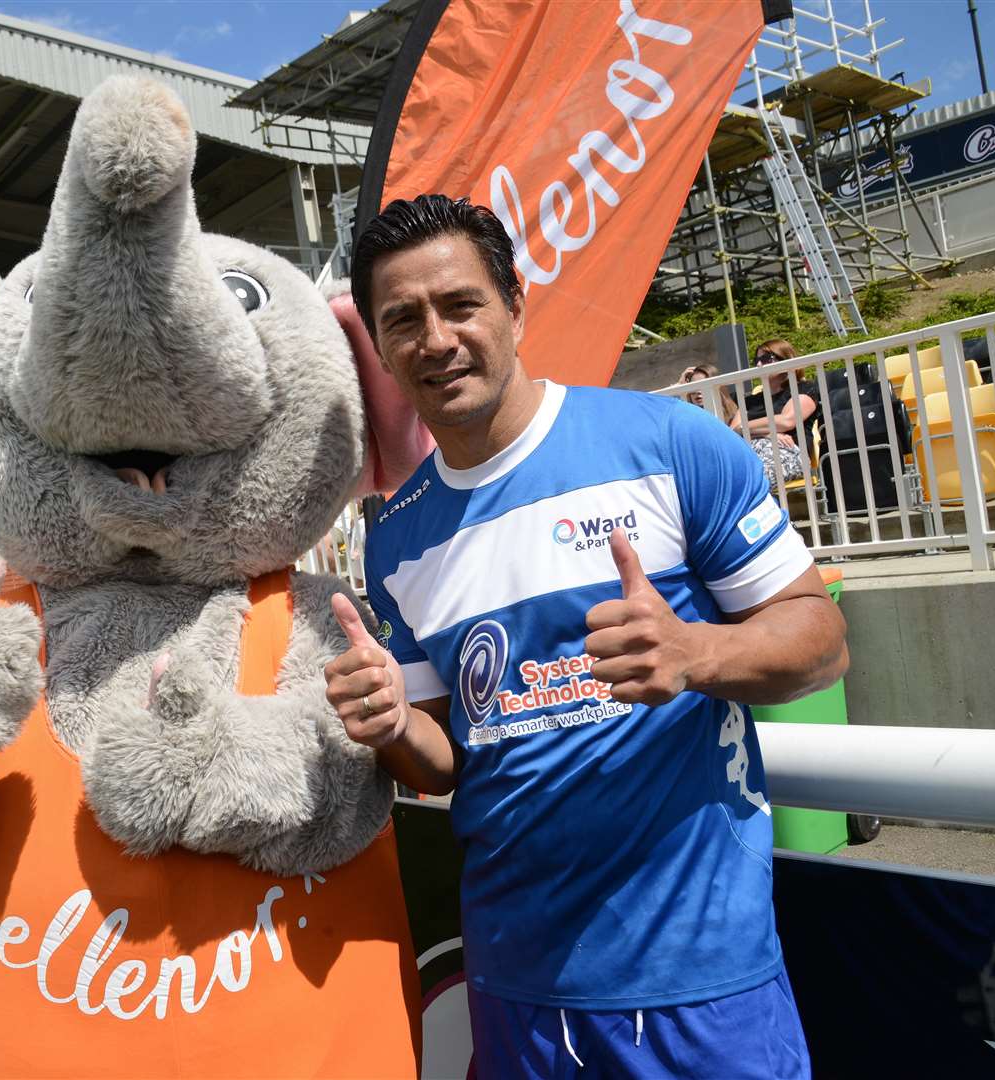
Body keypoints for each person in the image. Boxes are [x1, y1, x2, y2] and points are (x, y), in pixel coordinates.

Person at [326, 195, 847, 1079]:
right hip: (515, 982)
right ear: (380, 348)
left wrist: (696, 654)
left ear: (516, 307)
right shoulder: (396, 536)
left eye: (461, 305)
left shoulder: (670, 442)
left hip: (700, 980)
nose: (436, 338)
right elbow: (447, 760)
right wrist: (387, 729)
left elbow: (822, 639)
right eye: (402, 320)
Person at [735, 339, 819, 483]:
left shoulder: (803, 389)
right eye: (757, 360)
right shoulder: (750, 401)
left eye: (766, 359)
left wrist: (745, 427)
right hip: (750, 451)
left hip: (787, 451)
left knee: (752, 480)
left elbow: (786, 421)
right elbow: (733, 431)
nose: (759, 364)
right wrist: (768, 433)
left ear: (785, 360)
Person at [673, 363, 740, 429]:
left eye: (703, 385)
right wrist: (679, 385)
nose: (697, 391)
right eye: (693, 386)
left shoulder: (736, 411)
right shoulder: (688, 416)